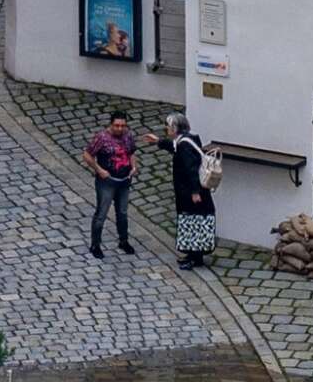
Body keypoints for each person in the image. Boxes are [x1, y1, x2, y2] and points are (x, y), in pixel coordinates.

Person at [141, 113, 215, 269]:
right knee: (190, 221)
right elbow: (173, 147)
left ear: (175, 128)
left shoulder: (184, 145)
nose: (166, 129)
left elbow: (191, 169)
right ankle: (191, 254)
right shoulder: (187, 140)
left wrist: (195, 192)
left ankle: (196, 258)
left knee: (194, 222)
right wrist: (158, 141)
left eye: (168, 127)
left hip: (191, 193)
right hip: (188, 192)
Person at [81, 111, 138, 258]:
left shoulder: (128, 135)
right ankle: (95, 244)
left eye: (122, 126)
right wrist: (99, 170)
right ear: (111, 124)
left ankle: (123, 241)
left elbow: (131, 152)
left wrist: (134, 167)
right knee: (102, 213)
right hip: (107, 182)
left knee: (123, 213)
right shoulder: (102, 137)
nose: (119, 129)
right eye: (116, 126)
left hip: (124, 180)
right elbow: (87, 155)